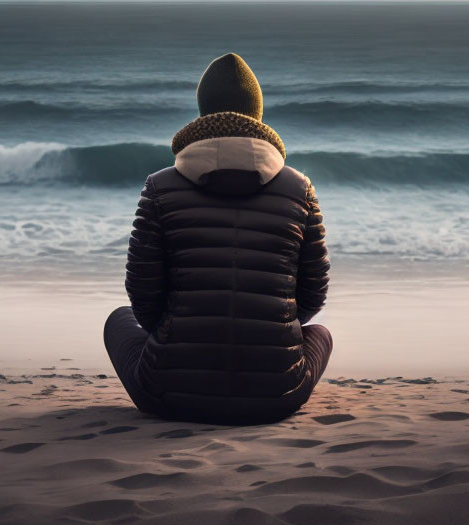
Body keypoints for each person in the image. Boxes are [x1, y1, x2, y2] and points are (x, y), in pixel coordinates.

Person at [103, 52, 332, 425]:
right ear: (256, 113)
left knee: (120, 319)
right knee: (318, 333)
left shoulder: (160, 187)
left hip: (167, 394)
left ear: (202, 111)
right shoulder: (299, 187)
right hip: (276, 397)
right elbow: (313, 295)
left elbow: (143, 297)